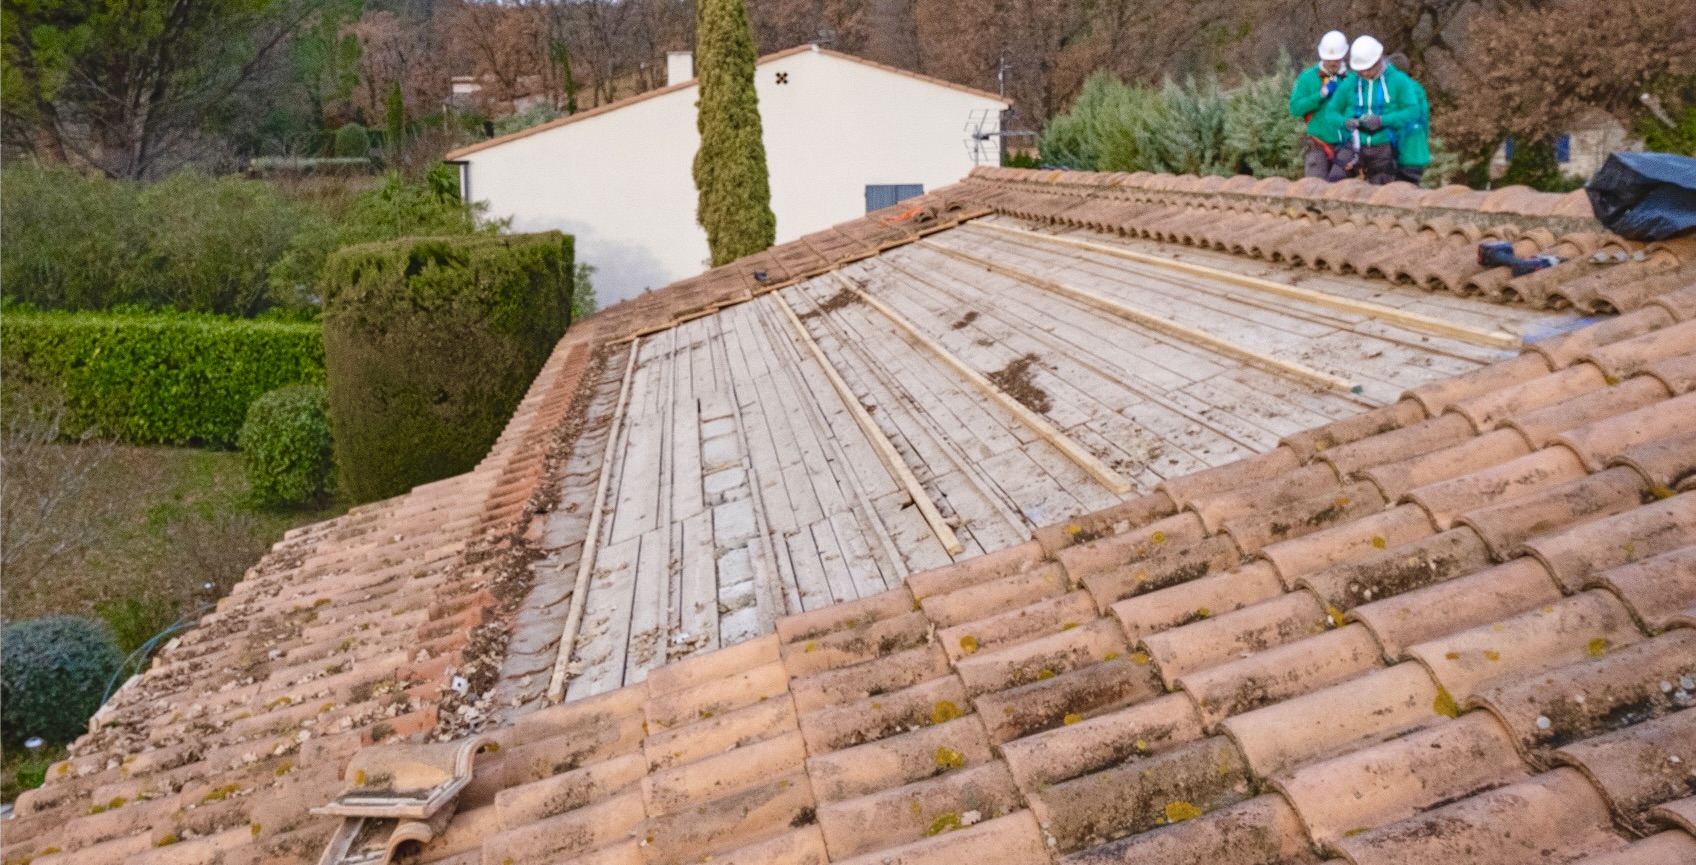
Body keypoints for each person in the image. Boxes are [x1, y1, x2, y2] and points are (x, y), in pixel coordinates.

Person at [1323, 35, 1423, 184]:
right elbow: (1330, 113)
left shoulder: (1398, 80)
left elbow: (1412, 112)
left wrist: (1382, 121)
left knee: (1380, 192)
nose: (1365, 74)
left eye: (1369, 69)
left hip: (1384, 145)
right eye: (1361, 70)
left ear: (1379, 60)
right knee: (1334, 183)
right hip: (1354, 144)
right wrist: (1345, 122)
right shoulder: (1350, 83)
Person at [1288, 30, 1352, 178]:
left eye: (1336, 59)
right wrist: (1320, 95)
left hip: (1346, 145)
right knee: (1314, 188)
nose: (1332, 63)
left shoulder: (1351, 79)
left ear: (1343, 56)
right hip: (1317, 144)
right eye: (1328, 59)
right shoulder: (1307, 78)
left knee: (1340, 188)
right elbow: (1295, 108)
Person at [1386, 52, 1431, 185]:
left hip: (1400, 154)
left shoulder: (1392, 90)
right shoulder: (1417, 89)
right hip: (1418, 153)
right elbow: (1425, 120)